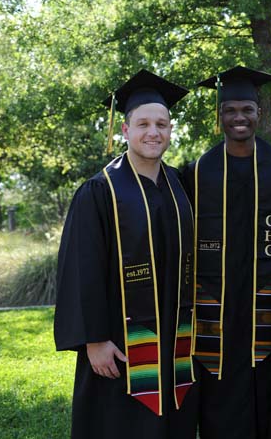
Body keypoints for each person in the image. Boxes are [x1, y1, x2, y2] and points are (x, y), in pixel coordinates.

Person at [54, 69, 199, 439]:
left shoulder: (179, 187)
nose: (154, 132)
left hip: (173, 338)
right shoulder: (100, 190)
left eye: (162, 124)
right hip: (119, 343)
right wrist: (95, 340)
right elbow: (80, 268)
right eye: (144, 124)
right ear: (125, 130)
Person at [181, 65, 271, 438]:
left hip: (268, 303)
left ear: (259, 113)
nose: (239, 117)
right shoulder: (197, 171)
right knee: (219, 391)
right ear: (219, 115)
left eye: (247, 109)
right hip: (215, 304)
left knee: (267, 388)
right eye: (230, 110)